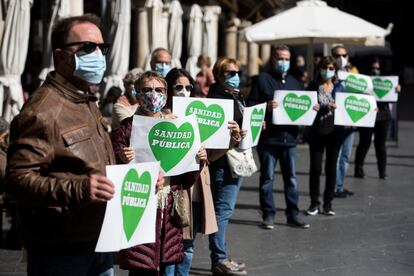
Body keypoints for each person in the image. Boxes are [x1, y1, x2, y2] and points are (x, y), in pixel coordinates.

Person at [5, 14, 117, 275]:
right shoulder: (43, 111)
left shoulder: (85, 99)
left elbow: (94, 160)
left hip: (99, 243)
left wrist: (138, 176)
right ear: (61, 55)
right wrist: (78, 188)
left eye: (103, 47)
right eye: (88, 47)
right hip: (61, 252)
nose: (98, 55)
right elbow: (16, 180)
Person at [112, 71, 205, 276]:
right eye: (146, 90)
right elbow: (112, 174)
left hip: (168, 209)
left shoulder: (178, 126)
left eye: (159, 90)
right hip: (140, 207)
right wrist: (122, 159)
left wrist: (198, 159)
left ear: (166, 95)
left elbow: (186, 180)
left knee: (167, 268)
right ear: (137, 94)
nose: (153, 95)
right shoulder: (126, 129)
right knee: (141, 268)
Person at [247, 45, 310, 230]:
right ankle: (268, 214)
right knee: (267, 178)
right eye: (280, 58)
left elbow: (300, 106)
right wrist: (266, 106)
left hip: (289, 139)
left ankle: (293, 215)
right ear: (273, 60)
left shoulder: (294, 81)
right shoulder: (262, 80)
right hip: (268, 139)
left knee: (291, 178)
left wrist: (310, 110)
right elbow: (251, 105)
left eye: (286, 59)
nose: (283, 62)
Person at [163, 68, 218, 276]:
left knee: (188, 243)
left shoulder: (199, 114)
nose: (184, 91)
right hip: (172, 187)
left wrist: (233, 137)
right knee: (170, 242)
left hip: (196, 187)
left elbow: (214, 151)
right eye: (179, 87)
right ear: (169, 90)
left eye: (188, 87)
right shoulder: (161, 115)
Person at [207, 57, 247, 275]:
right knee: (222, 210)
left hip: (237, 159)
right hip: (224, 161)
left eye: (237, 72)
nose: (235, 76)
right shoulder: (216, 98)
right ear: (219, 75)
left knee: (225, 209)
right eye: (229, 73)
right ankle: (219, 258)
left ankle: (221, 255)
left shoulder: (236, 94)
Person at [305, 56, 343, 216]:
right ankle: (314, 203)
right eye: (324, 67)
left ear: (335, 70)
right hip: (316, 132)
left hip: (335, 132)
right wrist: (321, 107)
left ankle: (328, 204)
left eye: (331, 68)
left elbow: (350, 105)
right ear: (320, 69)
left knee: (331, 169)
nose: (327, 70)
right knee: (315, 168)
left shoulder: (340, 87)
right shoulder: (313, 86)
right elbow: (306, 105)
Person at [354, 57, 401, 180]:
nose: (375, 71)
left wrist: (396, 90)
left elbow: (391, 96)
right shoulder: (363, 80)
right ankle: (358, 169)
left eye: (377, 68)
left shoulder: (386, 80)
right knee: (364, 142)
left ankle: (382, 171)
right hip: (367, 114)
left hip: (383, 115)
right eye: (373, 68)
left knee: (380, 145)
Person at [332, 45, 356, 198]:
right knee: (337, 156)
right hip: (336, 122)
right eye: (337, 55)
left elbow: (365, 93)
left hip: (350, 121)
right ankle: (333, 187)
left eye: (344, 55)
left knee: (346, 156)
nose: (341, 58)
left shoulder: (354, 75)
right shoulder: (329, 74)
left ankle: (339, 186)